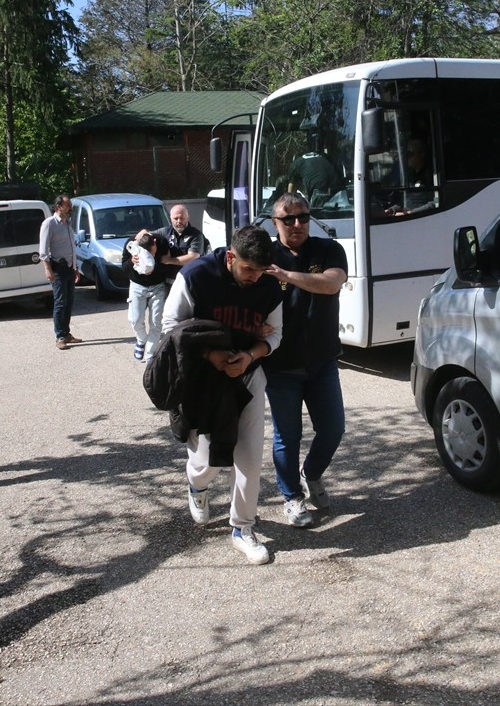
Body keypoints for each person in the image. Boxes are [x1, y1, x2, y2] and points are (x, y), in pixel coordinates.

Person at [161, 225, 283, 565]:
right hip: (203, 380)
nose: (255, 278)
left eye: (261, 271)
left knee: (249, 457)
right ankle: (197, 486)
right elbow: (170, 326)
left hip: (247, 377)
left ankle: (242, 528)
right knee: (205, 462)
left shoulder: (269, 286)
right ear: (231, 257)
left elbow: (275, 336)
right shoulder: (196, 275)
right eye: (248, 269)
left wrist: (249, 356)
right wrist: (211, 355)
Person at [262, 193, 348, 527]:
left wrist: (286, 275)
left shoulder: (327, 250)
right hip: (280, 365)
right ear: (275, 222)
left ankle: (310, 474)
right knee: (288, 435)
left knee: (333, 429)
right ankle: (292, 497)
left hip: (322, 358)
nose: (297, 224)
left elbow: (331, 284)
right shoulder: (264, 254)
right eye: (288, 219)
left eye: (303, 217)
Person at [40, 195, 82, 349]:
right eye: (68, 205)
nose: (70, 207)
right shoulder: (49, 224)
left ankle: (66, 333)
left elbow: (72, 247)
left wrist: (75, 267)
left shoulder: (67, 223)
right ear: (58, 206)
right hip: (58, 268)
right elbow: (43, 251)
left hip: (69, 268)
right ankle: (59, 337)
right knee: (60, 303)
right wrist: (48, 269)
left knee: (69, 302)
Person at [122, 229, 167, 363]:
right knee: (135, 319)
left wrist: (153, 265)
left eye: (153, 251)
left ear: (155, 243)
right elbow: (123, 267)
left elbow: (167, 265)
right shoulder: (130, 244)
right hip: (137, 286)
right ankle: (141, 339)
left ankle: (150, 356)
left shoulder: (161, 242)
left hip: (158, 286)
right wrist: (131, 261)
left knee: (156, 322)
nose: (152, 254)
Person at [154, 204, 208, 282]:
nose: (179, 221)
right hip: (167, 280)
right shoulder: (165, 232)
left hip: (188, 280)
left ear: (188, 218)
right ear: (170, 218)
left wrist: (169, 260)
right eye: (176, 218)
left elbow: (193, 257)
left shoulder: (196, 235)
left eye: (182, 218)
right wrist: (143, 232)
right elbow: (147, 237)